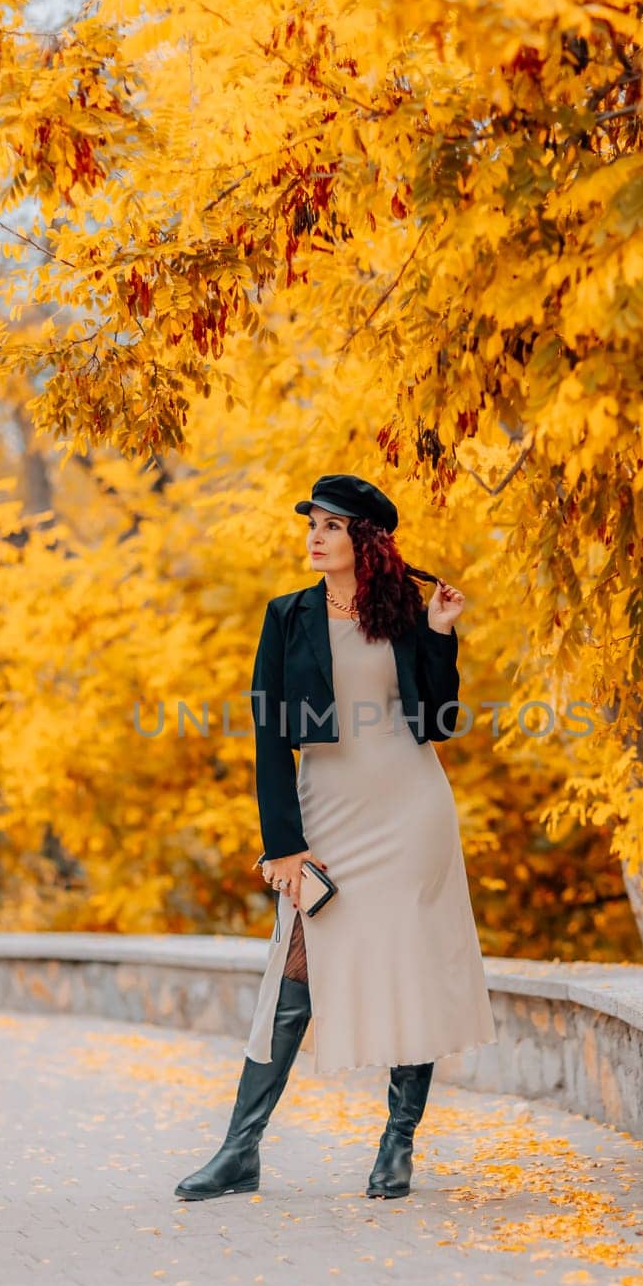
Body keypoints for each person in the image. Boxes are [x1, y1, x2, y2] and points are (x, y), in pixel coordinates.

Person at [174, 473, 497, 1204]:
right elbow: (268, 736)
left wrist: (441, 637)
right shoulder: (286, 616)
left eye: (330, 526)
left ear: (365, 540)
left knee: (410, 963)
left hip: (412, 812)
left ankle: (396, 1145)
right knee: (296, 970)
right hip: (328, 815)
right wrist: (282, 845)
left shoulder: (407, 615)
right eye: (311, 525)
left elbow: (438, 723)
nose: (314, 537)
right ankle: (239, 1151)